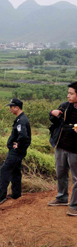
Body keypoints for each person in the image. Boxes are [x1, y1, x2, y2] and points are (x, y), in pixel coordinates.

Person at [0, 98, 31, 207]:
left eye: (11, 107)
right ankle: (16, 193)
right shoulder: (20, 119)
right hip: (18, 151)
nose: (10, 109)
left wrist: (18, 145)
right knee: (15, 171)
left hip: (16, 152)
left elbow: (24, 136)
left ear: (17, 107)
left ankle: (1, 196)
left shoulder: (22, 120)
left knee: (5, 169)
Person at [48, 81, 77, 216]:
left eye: (71, 93)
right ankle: (62, 197)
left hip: (75, 150)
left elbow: (72, 128)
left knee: (76, 179)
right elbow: (55, 120)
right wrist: (52, 113)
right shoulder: (66, 107)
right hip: (61, 146)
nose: (68, 96)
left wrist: (72, 127)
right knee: (61, 173)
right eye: (68, 93)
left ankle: (75, 205)